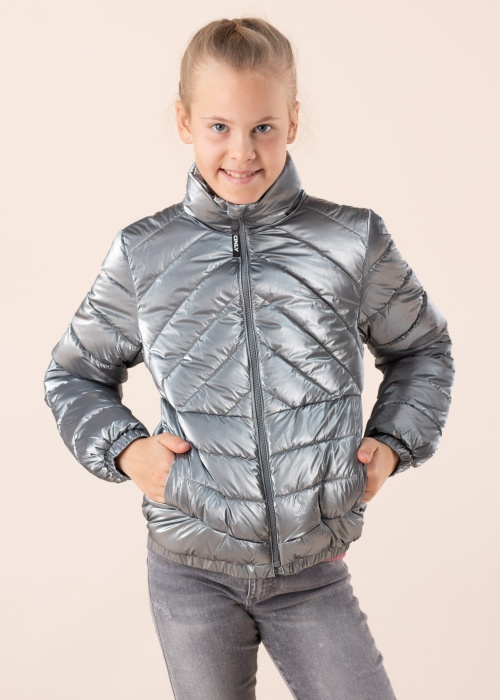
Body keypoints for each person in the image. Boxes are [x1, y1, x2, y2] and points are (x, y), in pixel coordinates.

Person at [44, 17, 454, 700]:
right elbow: (73, 373)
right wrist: (126, 451)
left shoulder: (351, 240)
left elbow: (423, 348)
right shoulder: (145, 253)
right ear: (184, 122)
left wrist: (392, 442)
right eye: (219, 127)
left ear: (293, 120)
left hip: (312, 568)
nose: (242, 151)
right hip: (189, 568)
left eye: (263, 126)